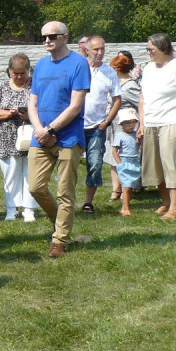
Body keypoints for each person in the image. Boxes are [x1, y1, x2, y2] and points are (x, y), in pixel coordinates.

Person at [28, 21, 90, 259]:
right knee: (35, 187)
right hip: (41, 136)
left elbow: (75, 106)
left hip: (68, 136)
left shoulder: (79, 64)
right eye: (43, 37)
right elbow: (32, 102)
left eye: (52, 36)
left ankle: (59, 239)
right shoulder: (41, 65)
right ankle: (60, 222)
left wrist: (50, 130)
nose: (47, 41)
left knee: (65, 191)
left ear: (65, 37)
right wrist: (39, 130)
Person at [138, 33, 176, 220]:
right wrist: (142, 123)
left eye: (151, 49)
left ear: (163, 48)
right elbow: (143, 98)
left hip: (173, 121)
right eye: (147, 49)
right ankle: (165, 202)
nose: (148, 53)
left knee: (173, 165)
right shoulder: (148, 68)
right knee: (156, 166)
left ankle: (175, 208)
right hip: (152, 122)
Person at [0, 53, 38, 222]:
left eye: (22, 73)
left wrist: (28, 115)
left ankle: (29, 209)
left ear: (28, 71)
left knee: (30, 174)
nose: (19, 76)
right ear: (9, 71)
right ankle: (11, 209)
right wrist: (8, 113)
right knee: (10, 175)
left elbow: (44, 109)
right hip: (8, 138)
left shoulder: (36, 87)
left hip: (31, 136)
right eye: (15, 73)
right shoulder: (0, 89)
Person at [80, 37, 122, 213]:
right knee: (68, 164)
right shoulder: (79, 69)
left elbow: (117, 99)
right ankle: (66, 200)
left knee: (95, 164)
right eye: (96, 49)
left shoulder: (109, 72)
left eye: (102, 49)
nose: (99, 53)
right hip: (76, 125)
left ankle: (88, 202)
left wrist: (106, 121)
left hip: (97, 126)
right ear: (87, 50)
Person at [106, 51, 141, 201]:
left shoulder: (130, 86)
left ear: (118, 69)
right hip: (113, 125)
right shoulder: (115, 84)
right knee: (113, 155)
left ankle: (129, 186)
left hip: (127, 128)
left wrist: (138, 126)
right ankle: (116, 188)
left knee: (127, 158)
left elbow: (141, 105)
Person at [111, 108, 141, 217]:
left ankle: (124, 207)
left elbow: (140, 147)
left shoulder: (135, 135)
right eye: (128, 123)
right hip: (125, 162)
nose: (131, 125)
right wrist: (120, 163)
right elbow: (114, 150)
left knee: (130, 187)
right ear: (122, 124)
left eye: (133, 122)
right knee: (126, 187)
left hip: (134, 162)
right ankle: (127, 208)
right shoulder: (120, 135)